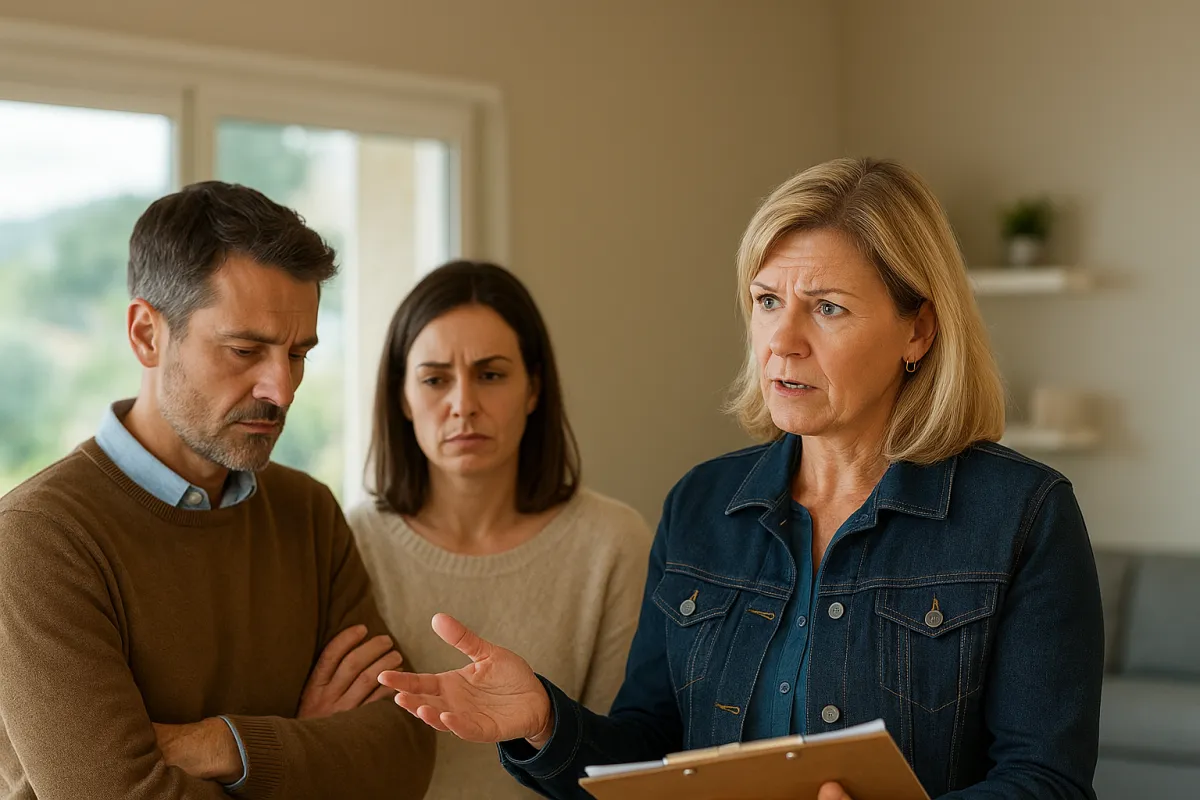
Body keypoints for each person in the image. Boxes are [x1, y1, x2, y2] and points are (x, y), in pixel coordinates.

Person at [377, 159, 1105, 799]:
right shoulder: (700, 505)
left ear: (918, 331)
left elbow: (1048, 781)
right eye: (766, 302)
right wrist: (543, 720)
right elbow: (653, 755)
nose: (783, 342)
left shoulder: (1024, 515)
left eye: (827, 308)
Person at [0, 181, 434, 799]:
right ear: (147, 334)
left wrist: (225, 746)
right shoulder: (38, 539)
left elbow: (405, 758)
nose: (280, 390)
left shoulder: (306, 513)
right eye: (244, 349)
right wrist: (302, 746)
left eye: (298, 353)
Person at [348, 261, 652, 799]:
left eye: (490, 375)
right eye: (435, 379)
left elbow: (624, 763)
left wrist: (541, 723)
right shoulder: (351, 542)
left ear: (533, 388)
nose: (463, 404)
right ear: (401, 397)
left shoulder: (613, 542)